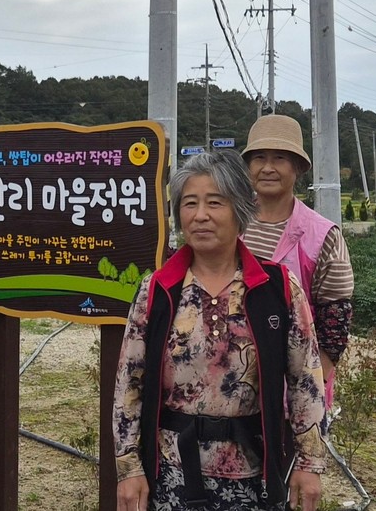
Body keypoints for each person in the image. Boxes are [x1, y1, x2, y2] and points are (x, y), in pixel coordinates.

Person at [113, 150, 326, 511]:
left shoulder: (277, 288)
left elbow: (306, 379)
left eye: (215, 202)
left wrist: (309, 463)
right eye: (189, 203)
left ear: (240, 210)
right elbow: (129, 384)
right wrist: (128, 467)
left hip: (256, 473)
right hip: (171, 475)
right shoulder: (159, 290)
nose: (200, 215)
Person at [241, 114, 354, 408]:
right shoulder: (230, 223)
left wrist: (309, 390)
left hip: (292, 398)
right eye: (259, 158)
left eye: (279, 158)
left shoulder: (323, 235)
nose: (267, 168)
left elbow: (335, 322)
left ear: (298, 167)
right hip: (231, 395)